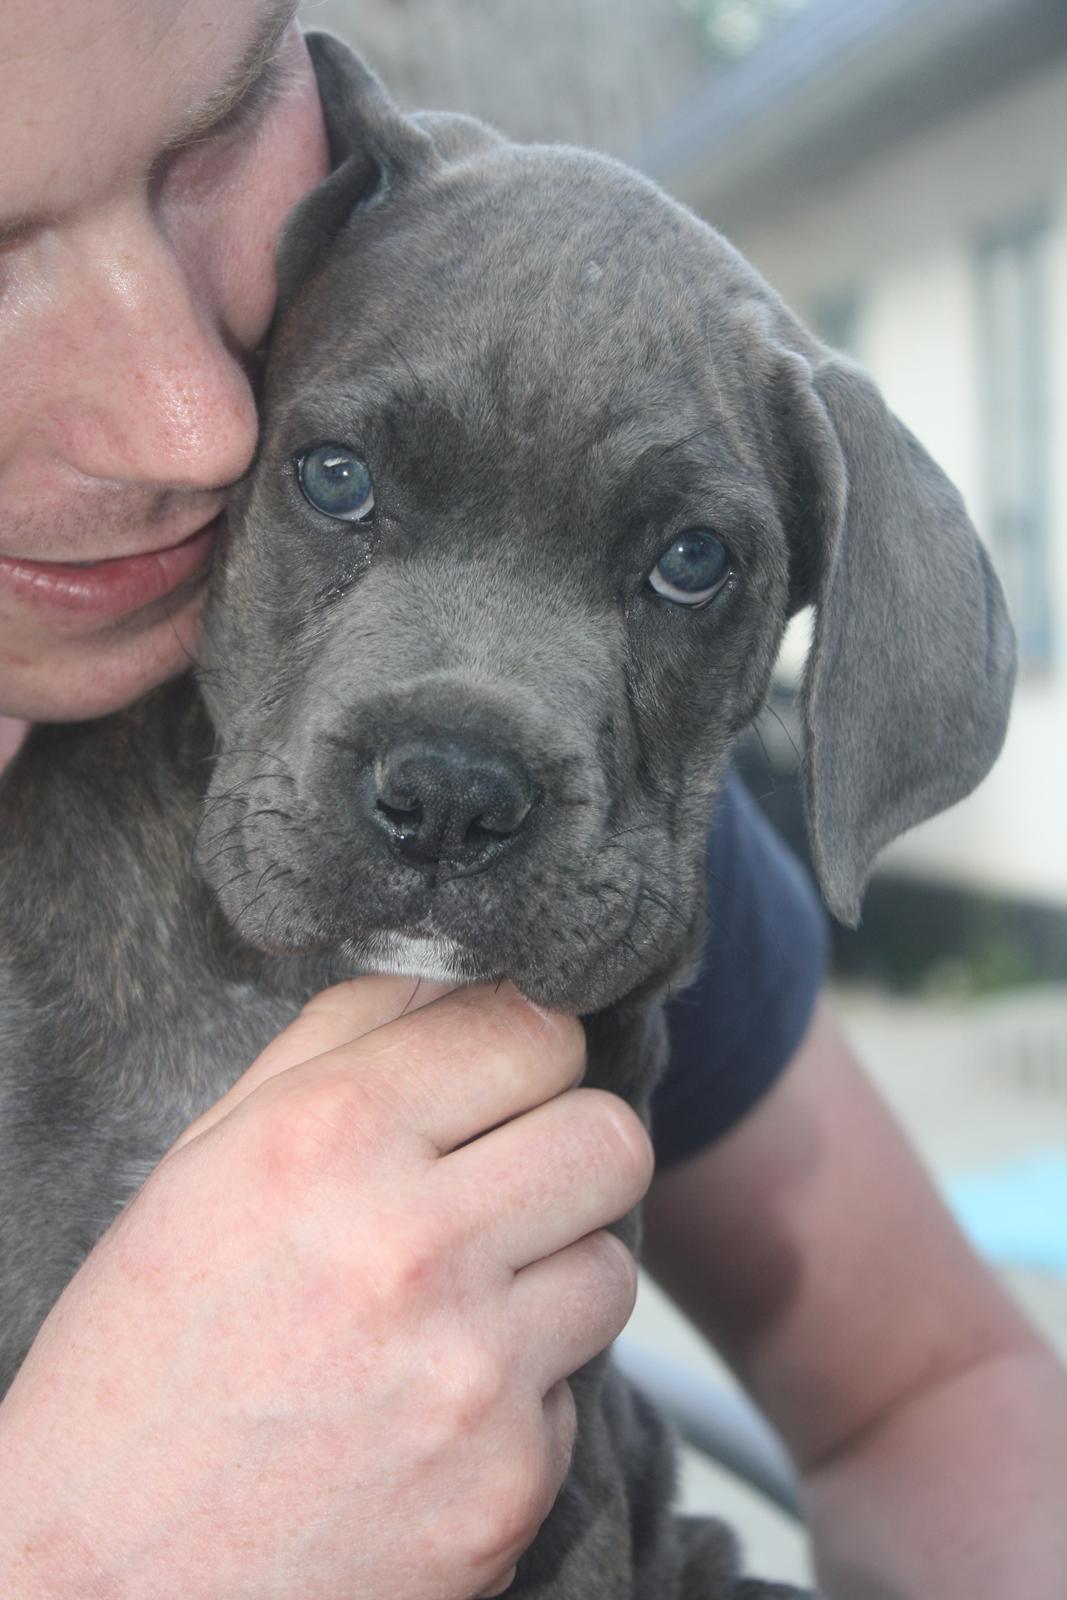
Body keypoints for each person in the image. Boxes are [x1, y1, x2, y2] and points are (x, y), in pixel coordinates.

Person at [0, 2, 1064, 1595]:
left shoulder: (647, 855)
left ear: (324, 117)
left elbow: (931, 1388)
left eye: (202, 142)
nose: (192, 420)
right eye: (343, 482)